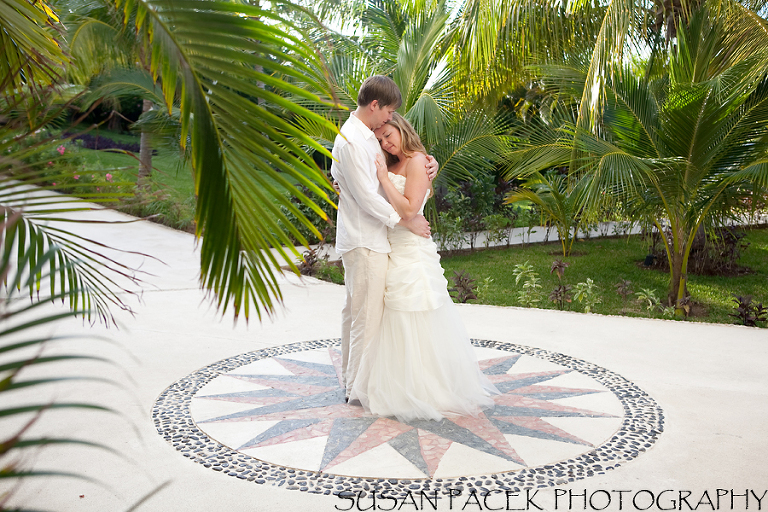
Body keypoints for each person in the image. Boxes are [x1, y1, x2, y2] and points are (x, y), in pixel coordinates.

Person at [348, 113, 498, 422]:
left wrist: (385, 180)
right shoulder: (389, 163)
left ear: (401, 127)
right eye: (380, 140)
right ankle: (397, 383)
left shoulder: (417, 161)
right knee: (392, 316)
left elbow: (409, 208)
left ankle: (425, 387)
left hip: (411, 250)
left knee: (415, 310)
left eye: (389, 135)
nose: (386, 143)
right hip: (390, 245)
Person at [331, 75, 438, 401]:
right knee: (365, 317)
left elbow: (401, 169)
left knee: (357, 313)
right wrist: (405, 221)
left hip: (375, 239)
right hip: (366, 239)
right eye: (388, 112)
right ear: (375, 105)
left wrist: (429, 164)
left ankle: (354, 382)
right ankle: (357, 390)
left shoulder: (367, 137)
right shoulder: (353, 140)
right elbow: (367, 195)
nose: (389, 119)